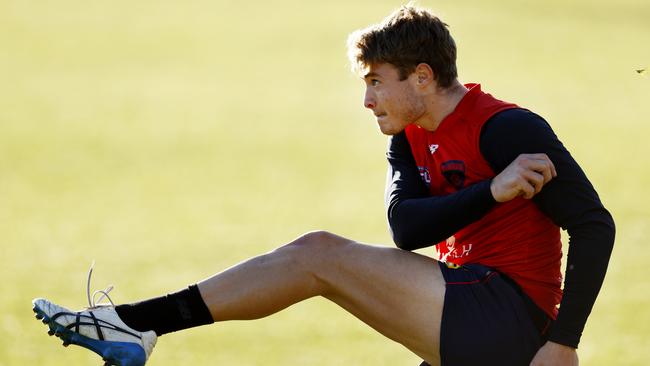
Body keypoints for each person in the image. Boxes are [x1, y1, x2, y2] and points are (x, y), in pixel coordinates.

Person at [32, 5, 615, 366]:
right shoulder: (407, 137)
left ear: (422, 76)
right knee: (316, 259)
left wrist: (563, 344)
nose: (366, 100)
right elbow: (406, 229)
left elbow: (595, 226)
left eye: (376, 83)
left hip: (509, 317)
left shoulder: (507, 128)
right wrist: (491, 192)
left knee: (317, 255)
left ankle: (134, 323)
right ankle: (135, 327)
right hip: (461, 302)